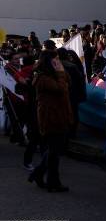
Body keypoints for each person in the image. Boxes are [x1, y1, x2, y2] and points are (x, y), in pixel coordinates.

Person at [29, 50, 72, 192]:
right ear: (49, 61)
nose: (59, 62)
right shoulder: (42, 78)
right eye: (56, 59)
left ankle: (39, 174)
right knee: (54, 152)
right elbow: (60, 89)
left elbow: (68, 82)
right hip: (50, 117)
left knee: (54, 150)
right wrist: (60, 72)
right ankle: (53, 182)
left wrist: (61, 71)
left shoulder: (54, 73)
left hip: (59, 114)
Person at [57, 48, 86, 138]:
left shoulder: (55, 67)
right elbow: (80, 81)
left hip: (61, 94)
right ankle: (72, 132)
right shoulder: (73, 66)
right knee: (73, 113)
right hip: (73, 94)